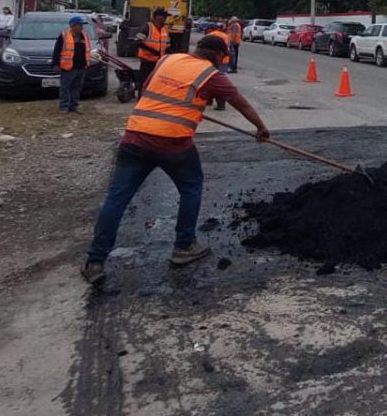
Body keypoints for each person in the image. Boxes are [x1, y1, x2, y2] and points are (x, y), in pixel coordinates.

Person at [81, 35, 270, 284]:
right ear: (215, 55)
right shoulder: (211, 75)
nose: (221, 63)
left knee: (117, 198)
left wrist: (188, 103)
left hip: (135, 136)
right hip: (172, 143)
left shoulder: (167, 60)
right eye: (222, 59)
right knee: (191, 187)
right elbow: (241, 104)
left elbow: (145, 90)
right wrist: (261, 128)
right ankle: (184, 246)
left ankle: (95, 261)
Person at [51, 15, 95, 114]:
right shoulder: (64, 35)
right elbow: (57, 51)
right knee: (65, 88)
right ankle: (64, 107)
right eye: (80, 25)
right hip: (68, 68)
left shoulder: (84, 35)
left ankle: (74, 106)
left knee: (77, 88)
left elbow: (87, 50)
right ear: (73, 25)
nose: (82, 27)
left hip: (81, 67)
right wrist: (55, 64)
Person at [130, 7, 170, 100]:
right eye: (164, 17)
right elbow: (137, 42)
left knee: (157, 82)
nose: (165, 20)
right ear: (158, 18)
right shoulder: (147, 28)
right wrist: (151, 50)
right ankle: (141, 99)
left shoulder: (165, 30)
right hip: (147, 61)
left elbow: (167, 45)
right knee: (144, 81)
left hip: (159, 62)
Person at [205, 24, 232, 110]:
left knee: (210, 81)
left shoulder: (211, 35)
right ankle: (217, 102)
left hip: (215, 61)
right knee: (219, 82)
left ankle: (215, 102)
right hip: (224, 61)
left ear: (211, 29)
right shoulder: (225, 36)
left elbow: (206, 49)